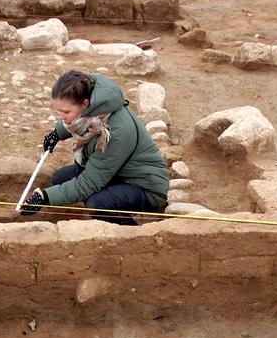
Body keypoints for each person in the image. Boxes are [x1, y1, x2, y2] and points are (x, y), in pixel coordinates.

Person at [20, 70, 169, 225]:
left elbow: (89, 183)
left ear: (85, 104)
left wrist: (45, 197)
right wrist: (57, 133)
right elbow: (80, 122)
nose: (61, 116)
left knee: (98, 203)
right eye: (59, 110)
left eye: (65, 112)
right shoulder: (95, 105)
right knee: (59, 178)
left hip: (144, 186)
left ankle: (133, 233)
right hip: (118, 172)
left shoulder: (115, 132)